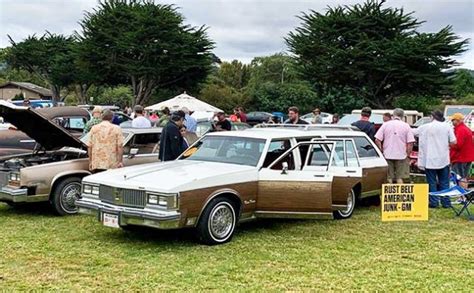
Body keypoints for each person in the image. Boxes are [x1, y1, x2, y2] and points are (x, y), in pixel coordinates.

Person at [413, 110, 456, 208]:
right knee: (444, 182)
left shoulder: (425, 127)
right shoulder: (447, 126)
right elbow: (454, 141)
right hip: (443, 158)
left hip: (429, 159)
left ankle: (434, 202)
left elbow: (413, 132)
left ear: (432, 116)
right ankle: (446, 202)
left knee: (431, 182)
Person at [375, 108, 415, 183]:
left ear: (393, 115)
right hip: (401, 155)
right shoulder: (406, 126)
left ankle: (388, 194)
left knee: (389, 177)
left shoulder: (385, 125)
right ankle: (399, 194)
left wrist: (381, 150)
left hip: (387, 154)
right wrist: (408, 154)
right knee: (400, 178)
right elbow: (410, 143)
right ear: (403, 116)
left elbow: (377, 139)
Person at [450, 113, 474, 180]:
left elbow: (458, 145)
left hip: (460, 158)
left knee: (458, 178)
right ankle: (464, 189)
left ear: (457, 120)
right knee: (463, 178)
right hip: (467, 157)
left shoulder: (461, 130)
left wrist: (449, 144)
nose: (452, 122)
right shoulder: (465, 129)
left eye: (453, 120)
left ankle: (459, 190)